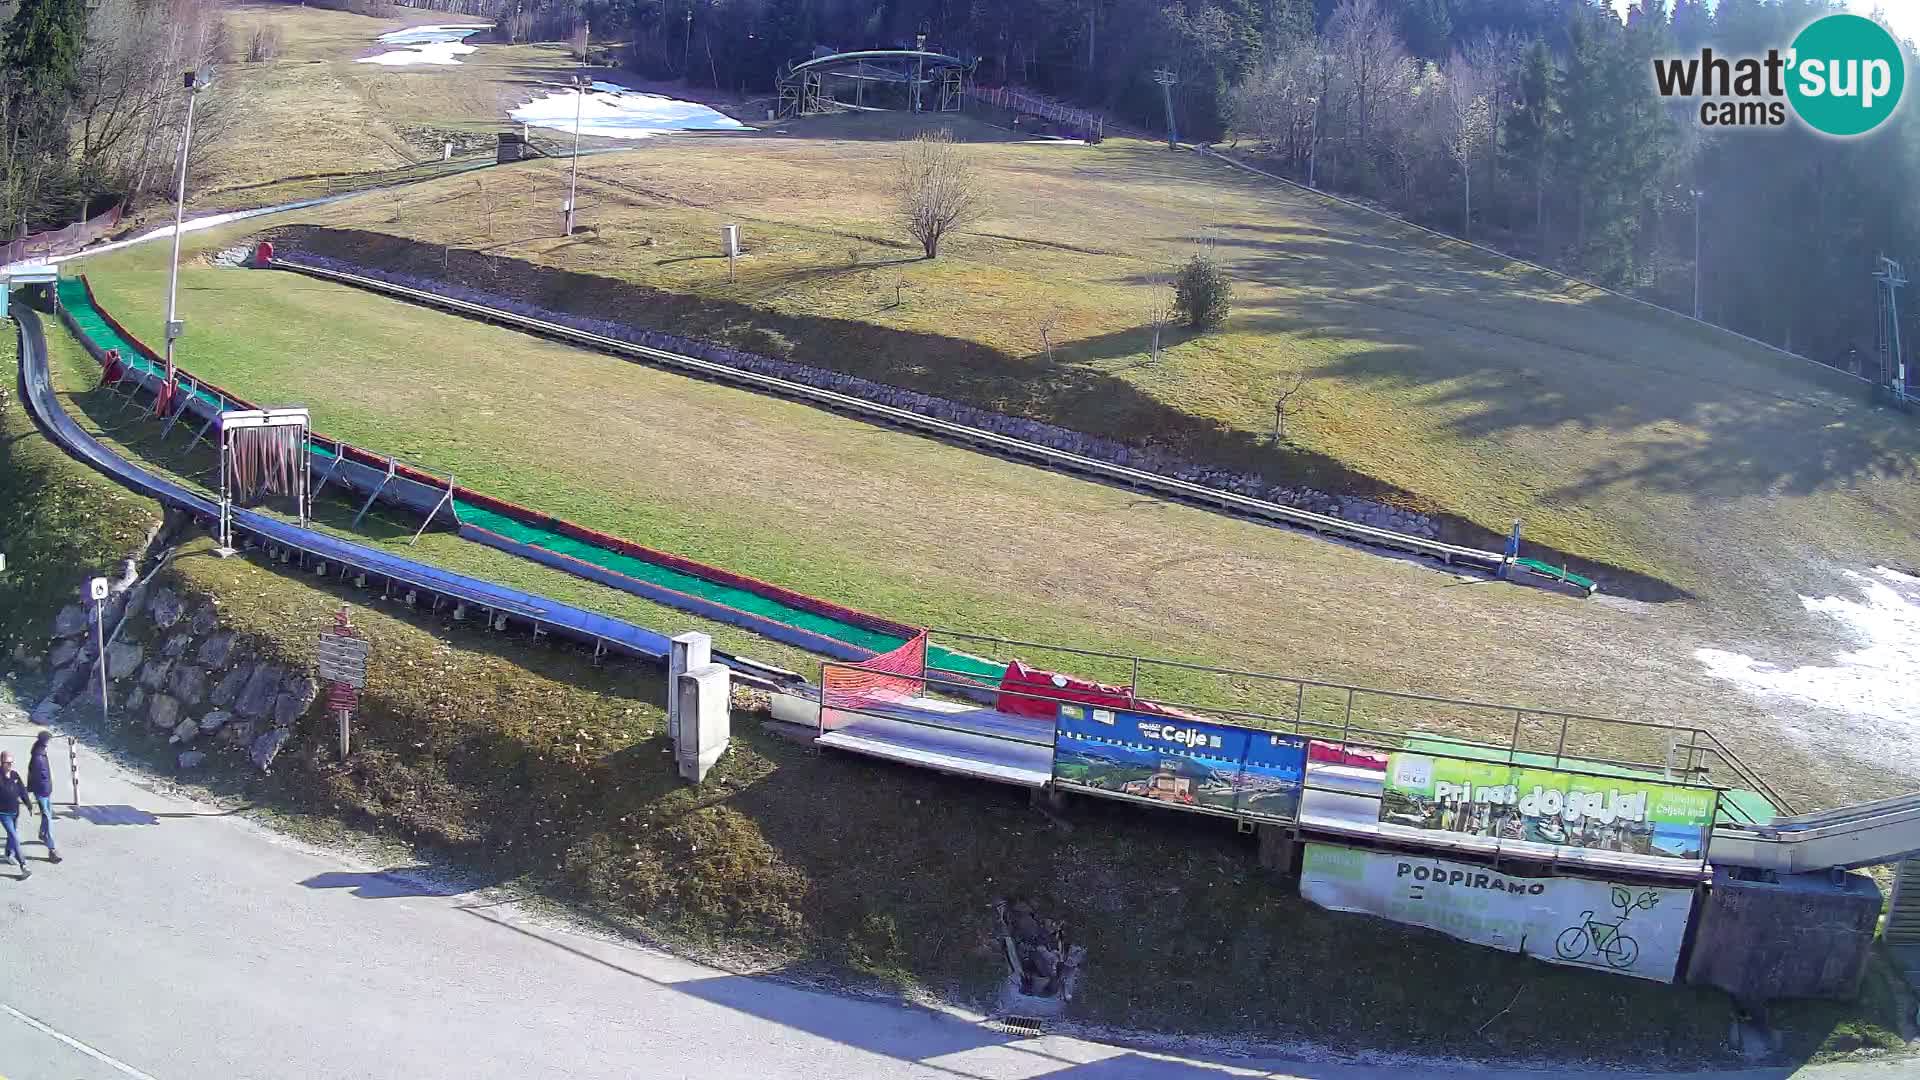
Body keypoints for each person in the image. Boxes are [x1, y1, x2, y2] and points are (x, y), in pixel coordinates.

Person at [27, 732, 59, 863]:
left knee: (47, 814)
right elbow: (36, 776)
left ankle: (42, 833)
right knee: (47, 817)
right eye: (48, 740)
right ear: (45, 741)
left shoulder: (40, 752)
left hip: (45, 789)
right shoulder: (38, 757)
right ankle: (52, 849)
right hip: (42, 791)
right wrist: (36, 790)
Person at [0, 752, 30, 879]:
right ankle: (24, 866)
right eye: (8, 763)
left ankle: (8, 854)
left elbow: (22, 790)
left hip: (15, 812)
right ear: (2, 763)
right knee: (15, 837)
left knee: (11, 836)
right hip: (3, 814)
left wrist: (28, 804)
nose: (10, 765)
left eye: (12, 762)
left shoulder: (14, 775)